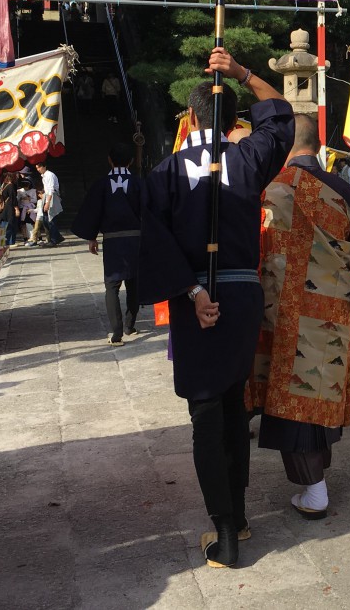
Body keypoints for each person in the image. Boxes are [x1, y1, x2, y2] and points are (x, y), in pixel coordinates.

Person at [139, 47, 293, 569]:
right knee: (232, 404)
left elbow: (152, 238)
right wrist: (244, 73)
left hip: (197, 295)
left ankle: (224, 530)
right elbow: (281, 115)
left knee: (207, 412)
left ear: (190, 118)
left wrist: (192, 293)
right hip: (243, 294)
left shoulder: (167, 171)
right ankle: (240, 517)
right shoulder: (249, 158)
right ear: (234, 123)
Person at [252, 114, 350, 520]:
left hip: (277, 311)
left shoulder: (265, 191)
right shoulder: (343, 191)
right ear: (317, 145)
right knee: (318, 390)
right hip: (330, 311)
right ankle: (316, 478)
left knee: (290, 397)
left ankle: (315, 489)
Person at [73, 143, 143, 345]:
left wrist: (92, 236)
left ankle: (117, 333)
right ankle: (130, 325)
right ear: (130, 161)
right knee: (134, 284)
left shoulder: (101, 185)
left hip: (113, 241)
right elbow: (149, 211)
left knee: (112, 285)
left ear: (110, 160)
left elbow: (92, 211)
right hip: (136, 239)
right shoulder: (138, 183)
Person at [35, 161, 65, 247]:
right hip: (47, 195)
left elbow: (51, 189)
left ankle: (54, 239)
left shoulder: (49, 175)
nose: (38, 169)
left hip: (51, 196)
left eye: (39, 167)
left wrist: (47, 202)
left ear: (44, 167)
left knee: (51, 219)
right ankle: (57, 236)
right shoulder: (44, 176)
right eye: (37, 168)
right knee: (46, 220)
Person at [0, 173, 20, 247]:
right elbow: (13, 198)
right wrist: (16, 208)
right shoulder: (11, 186)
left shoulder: (3, 186)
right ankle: (9, 242)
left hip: (4, 208)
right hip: (10, 207)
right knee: (11, 225)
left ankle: (2, 242)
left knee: (3, 226)